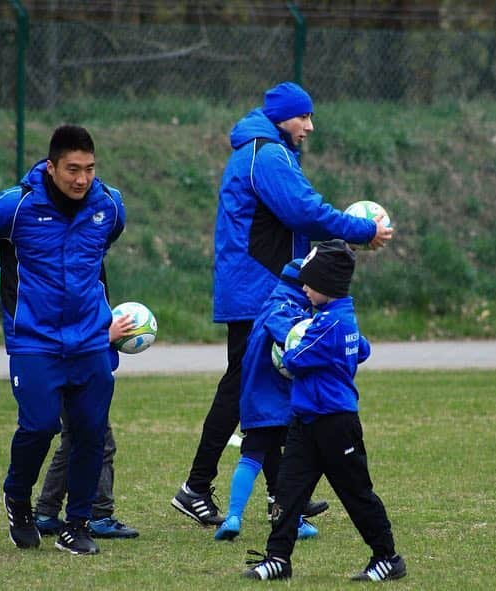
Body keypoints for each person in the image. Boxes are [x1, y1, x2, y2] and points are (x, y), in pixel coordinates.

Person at [172, 81, 393, 526]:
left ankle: (281, 493)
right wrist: (358, 229)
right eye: (303, 117)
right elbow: (304, 211)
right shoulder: (267, 155)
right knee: (242, 386)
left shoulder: (269, 151)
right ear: (281, 118)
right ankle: (196, 486)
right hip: (257, 290)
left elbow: (298, 219)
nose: (309, 127)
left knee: (270, 384)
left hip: (261, 286)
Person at [0, 125, 126, 556]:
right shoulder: (17, 205)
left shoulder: (110, 206)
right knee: (40, 425)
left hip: (90, 341)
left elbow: (98, 256)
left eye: (90, 169)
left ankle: (76, 524)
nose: (82, 179)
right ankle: (18, 500)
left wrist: (104, 327)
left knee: (90, 432)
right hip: (35, 342)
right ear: (51, 166)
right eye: (72, 169)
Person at [243, 240, 406, 582]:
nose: (303, 287)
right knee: (289, 491)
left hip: (335, 423)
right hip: (306, 420)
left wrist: (290, 336)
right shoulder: (337, 318)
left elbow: (295, 359)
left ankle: (387, 557)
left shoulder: (330, 326)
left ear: (328, 286)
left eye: (309, 282)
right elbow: (363, 350)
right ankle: (277, 558)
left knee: (356, 492)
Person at [213, 259, 317, 542]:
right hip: (275, 399)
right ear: (300, 285)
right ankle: (292, 520)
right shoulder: (284, 309)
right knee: (294, 462)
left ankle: (234, 516)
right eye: (311, 285)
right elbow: (288, 334)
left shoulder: (272, 302)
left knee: (252, 457)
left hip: (255, 399)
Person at [34, 312, 139, 540]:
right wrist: (105, 337)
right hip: (73, 373)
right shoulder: (66, 286)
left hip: (79, 372)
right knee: (98, 443)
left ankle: (46, 513)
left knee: (73, 443)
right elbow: (66, 334)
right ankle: (99, 515)